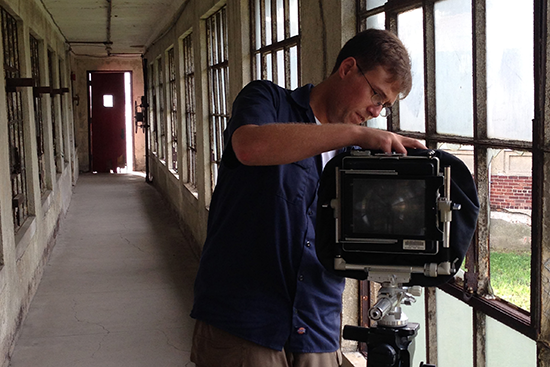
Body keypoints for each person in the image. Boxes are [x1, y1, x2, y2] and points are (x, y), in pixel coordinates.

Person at [190, 28, 426, 367]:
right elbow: (249, 146)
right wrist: (358, 133)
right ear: (347, 68)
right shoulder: (267, 100)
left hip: (316, 326)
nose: (376, 111)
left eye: (384, 106)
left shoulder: (356, 159)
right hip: (245, 321)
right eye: (376, 94)